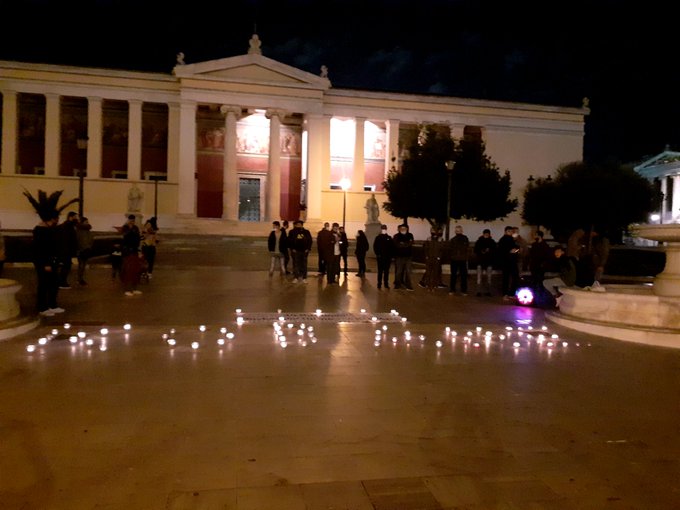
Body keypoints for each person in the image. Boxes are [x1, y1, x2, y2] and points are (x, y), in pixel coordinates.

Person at [32, 213, 64, 316]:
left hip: (51, 261)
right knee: (44, 284)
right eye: (55, 220)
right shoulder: (40, 231)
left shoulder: (48, 230)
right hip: (44, 262)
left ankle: (52, 305)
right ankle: (42, 307)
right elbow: (40, 249)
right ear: (50, 219)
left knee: (54, 283)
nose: (56, 222)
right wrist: (45, 263)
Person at [120, 214, 143, 296]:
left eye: (133, 220)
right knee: (128, 270)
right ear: (128, 220)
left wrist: (139, 250)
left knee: (135, 270)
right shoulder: (125, 228)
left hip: (134, 251)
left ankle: (134, 288)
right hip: (127, 252)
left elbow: (138, 239)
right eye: (131, 220)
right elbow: (124, 238)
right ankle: (127, 289)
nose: (132, 221)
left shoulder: (136, 228)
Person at [57, 211, 79, 289]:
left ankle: (61, 281)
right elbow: (67, 240)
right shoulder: (68, 226)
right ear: (71, 217)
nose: (77, 219)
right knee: (66, 266)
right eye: (76, 217)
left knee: (65, 266)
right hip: (66, 251)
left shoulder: (66, 226)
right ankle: (62, 282)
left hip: (65, 250)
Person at [497, 225, 520, 300]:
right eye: (509, 231)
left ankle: (511, 293)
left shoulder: (511, 239)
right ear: (505, 232)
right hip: (506, 261)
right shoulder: (503, 240)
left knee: (514, 277)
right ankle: (505, 294)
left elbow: (516, 248)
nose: (510, 233)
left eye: (511, 231)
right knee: (506, 278)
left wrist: (515, 250)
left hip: (512, 261)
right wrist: (509, 251)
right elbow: (501, 251)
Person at [473, 228, 496, 296]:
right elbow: (475, 250)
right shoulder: (480, 241)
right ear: (483, 234)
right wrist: (482, 251)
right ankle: (479, 291)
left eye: (487, 234)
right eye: (485, 234)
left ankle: (487, 291)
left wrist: (489, 251)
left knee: (488, 278)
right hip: (481, 261)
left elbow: (494, 251)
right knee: (479, 278)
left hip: (488, 262)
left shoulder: (491, 242)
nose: (486, 235)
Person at [448, 224, 470, 295]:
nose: (458, 232)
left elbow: (466, 248)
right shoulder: (454, 240)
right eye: (457, 230)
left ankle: (459, 290)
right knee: (455, 275)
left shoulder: (463, 239)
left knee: (461, 275)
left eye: (459, 230)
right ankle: (454, 289)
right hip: (456, 259)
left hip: (461, 259)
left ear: (461, 231)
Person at [392, 223, 414, 290]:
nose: (403, 229)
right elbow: (397, 245)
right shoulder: (396, 236)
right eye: (402, 228)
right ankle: (397, 284)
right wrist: (405, 244)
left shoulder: (410, 235)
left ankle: (408, 285)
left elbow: (410, 243)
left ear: (407, 229)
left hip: (408, 257)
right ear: (399, 229)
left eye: (404, 228)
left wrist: (402, 244)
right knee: (399, 271)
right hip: (399, 257)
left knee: (408, 272)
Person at [373, 224, 394, 289]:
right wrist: (377, 254)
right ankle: (379, 284)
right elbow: (375, 247)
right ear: (381, 229)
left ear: (386, 229)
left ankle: (386, 284)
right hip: (380, 257)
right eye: (383, 228)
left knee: (386, 271)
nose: (384, 229)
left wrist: (391, 256)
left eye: (385, 228)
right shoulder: (378, 237)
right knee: (380, 271)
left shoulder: (389, 238)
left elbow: (392, 247)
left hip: (387, 258)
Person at [75, 216, 94, 285]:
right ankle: (79, 279)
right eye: (86, 222)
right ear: (82, 222)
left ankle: (80, 278)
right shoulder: (79, 231)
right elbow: (78, 241)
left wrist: (89, 246)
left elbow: (90, 239)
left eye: (87, 222)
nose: (87, 223)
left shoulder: (87, 230)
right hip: (81, 250)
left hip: (86, 249)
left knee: (83, 265)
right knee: (81, 265)